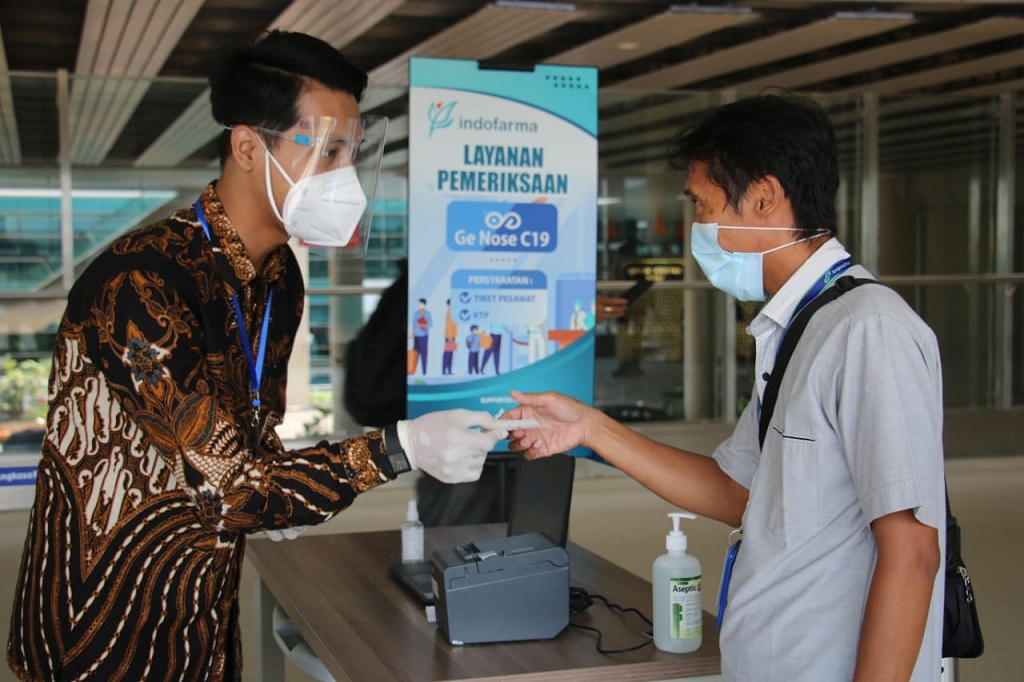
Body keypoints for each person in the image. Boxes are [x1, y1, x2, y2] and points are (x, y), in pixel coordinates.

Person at [7, 31, 508, 682]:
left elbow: (248, 438)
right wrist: (397, 446)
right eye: (327, 150)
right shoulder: (141, 283)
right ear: (248, 147)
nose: (345, 178)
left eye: (351, 154)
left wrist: (284, 490)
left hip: (203, 609)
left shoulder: (277, 278)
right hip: (101, 628)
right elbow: (227, 484)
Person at [504, 95, 944, 681]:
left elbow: (912, 551)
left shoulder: (868, 330)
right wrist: (590, 429)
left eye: (703, 205)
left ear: (763, 197)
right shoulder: (797, 327)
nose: (698, 228)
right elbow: (739, 494)